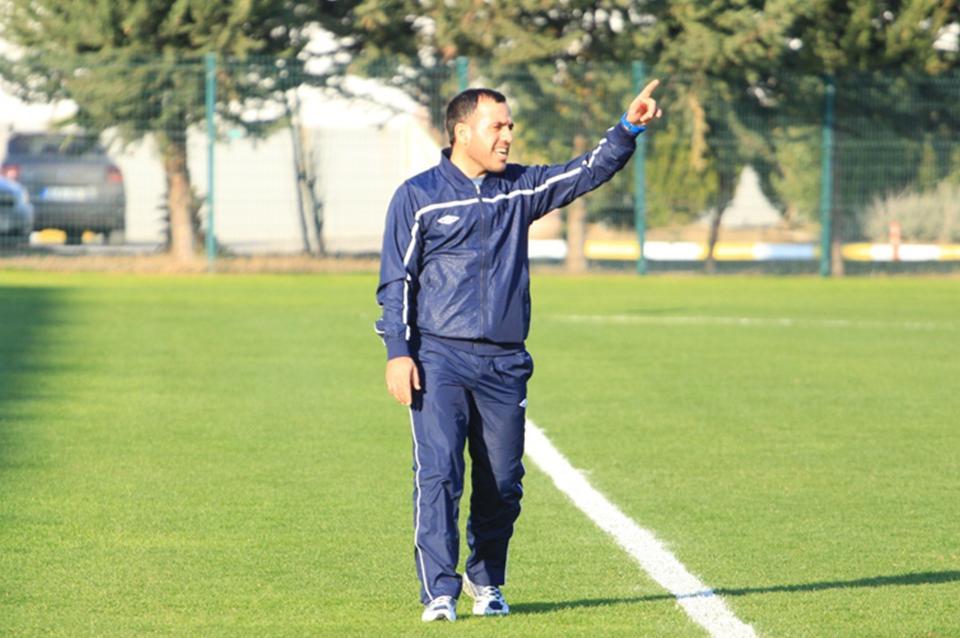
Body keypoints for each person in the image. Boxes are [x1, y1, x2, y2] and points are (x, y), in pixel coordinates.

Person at [375, 81, 661, 622]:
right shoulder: (417, 196)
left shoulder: (520, 188)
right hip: (437, 359)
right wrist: (398, 351)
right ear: (463, 132)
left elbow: (585, 171)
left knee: (503, 483)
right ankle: (439, 591)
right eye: (497, 126)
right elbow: (398, 281)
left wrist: (627, 130)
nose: (507, 135)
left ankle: (486, 581)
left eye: (510, 126)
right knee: (439, 474)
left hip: (504, 363)